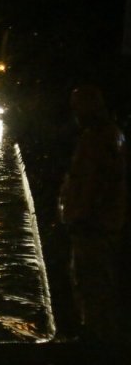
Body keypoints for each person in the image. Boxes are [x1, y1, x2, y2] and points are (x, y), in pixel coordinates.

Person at [58, 85, 127, 347]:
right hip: (98, 222)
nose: (76, 113)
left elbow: (93, 183)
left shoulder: (98, 138)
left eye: (78, 107)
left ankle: (97, 340)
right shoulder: (106, 135)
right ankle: (97, 334)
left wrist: (80, 215)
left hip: (93, 224)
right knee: (95, 281)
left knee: (92, 281)